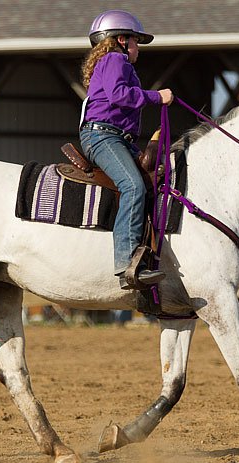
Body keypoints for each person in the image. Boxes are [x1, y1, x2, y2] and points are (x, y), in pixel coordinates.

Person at [79, 10, 173, 290]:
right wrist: (158, 96)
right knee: (133, 186)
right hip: (103, 138)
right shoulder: (115, 59)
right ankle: (127, 264)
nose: (137, 49)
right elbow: (120, 95)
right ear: (121, 40)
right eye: (135, 42)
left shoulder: (113, 61)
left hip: (117, 138)